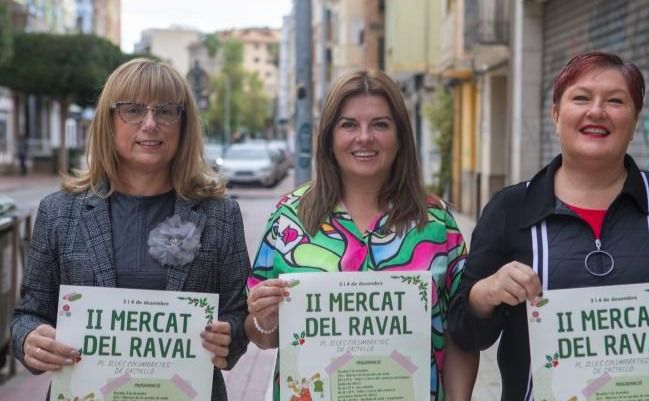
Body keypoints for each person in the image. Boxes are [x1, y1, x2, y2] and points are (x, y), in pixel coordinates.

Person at [448, 51, 649, 401]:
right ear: (556, 115)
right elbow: (466, 334)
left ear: (635, 122)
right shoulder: (510, 208)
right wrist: (486, 294)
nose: (597, 111)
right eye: (581, 98)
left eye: (616, 101)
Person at [11, 58, 251, 401]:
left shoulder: (220, 215)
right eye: (133, 110)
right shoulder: (60, 211)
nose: (150, 124)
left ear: (184, 124)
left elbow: (238, 316)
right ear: (109, 121)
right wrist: (30, 340)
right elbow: (28, 313)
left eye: (166, 111)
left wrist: (229, 338)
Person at [245, 69, 479, 401]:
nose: (364, 137)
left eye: (380, 124)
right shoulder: (289, 218)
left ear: (399, 137)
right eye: (349, 125)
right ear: (329, 137)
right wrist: (264, 318)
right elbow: (260, 335)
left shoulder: (437, 223)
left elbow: (460, 335)